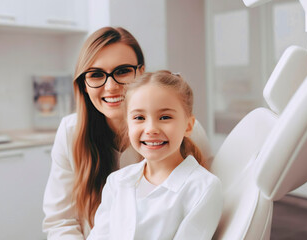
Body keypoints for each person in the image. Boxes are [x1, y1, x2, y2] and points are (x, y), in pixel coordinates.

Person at [42, 27, 213, 239]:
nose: (111, 86)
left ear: (140, 73)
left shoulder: (184, 132)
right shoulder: (71, 132)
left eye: (122, 71)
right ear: (85, 85)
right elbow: (60, 222)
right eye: (96, 75)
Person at [87, 71, 223, 239]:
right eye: (139, 117)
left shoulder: (203, 187)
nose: (151, 129)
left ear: (188, 126)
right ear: (128, 127)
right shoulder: (117, 182)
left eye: (165, 117)